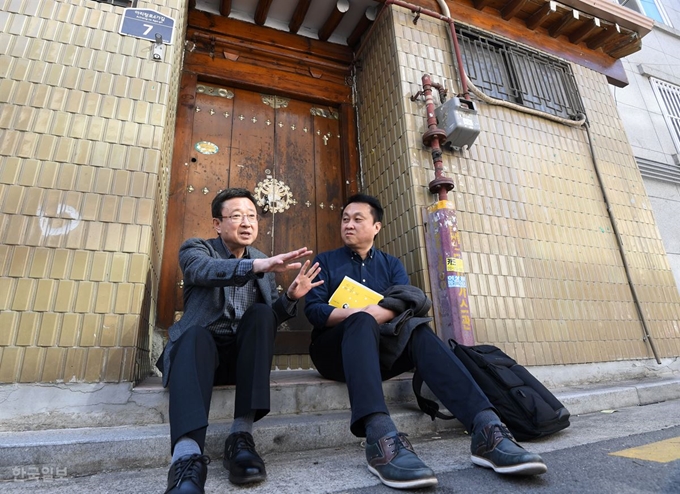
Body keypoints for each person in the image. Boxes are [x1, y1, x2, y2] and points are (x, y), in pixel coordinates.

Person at [304, 194, 546, 490]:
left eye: (357, 219)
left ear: (376, 227)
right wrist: (359, 313)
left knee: (418, 328)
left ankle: (487, 429)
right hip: (333, 353)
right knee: (362, 320)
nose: (349, 225)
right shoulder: (325, 261)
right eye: (345, 219)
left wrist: (383, 311)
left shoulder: (391, 265)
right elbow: (314, 311)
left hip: (380, 351)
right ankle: (380, 438)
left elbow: (412, 301)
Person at [157, 188, 323, 493]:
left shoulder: (263, 260)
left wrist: (288, 297)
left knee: (260, 314)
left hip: (240, 361)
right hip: (198, 359)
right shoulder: (197, 249)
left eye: (251, 216)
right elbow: (203, 271)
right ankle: (186, 459)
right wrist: (255, 267)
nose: (246, 223)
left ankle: (241, 437)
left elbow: (270, 318)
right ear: (217, 224)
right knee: (194, 336)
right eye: (236, 216)